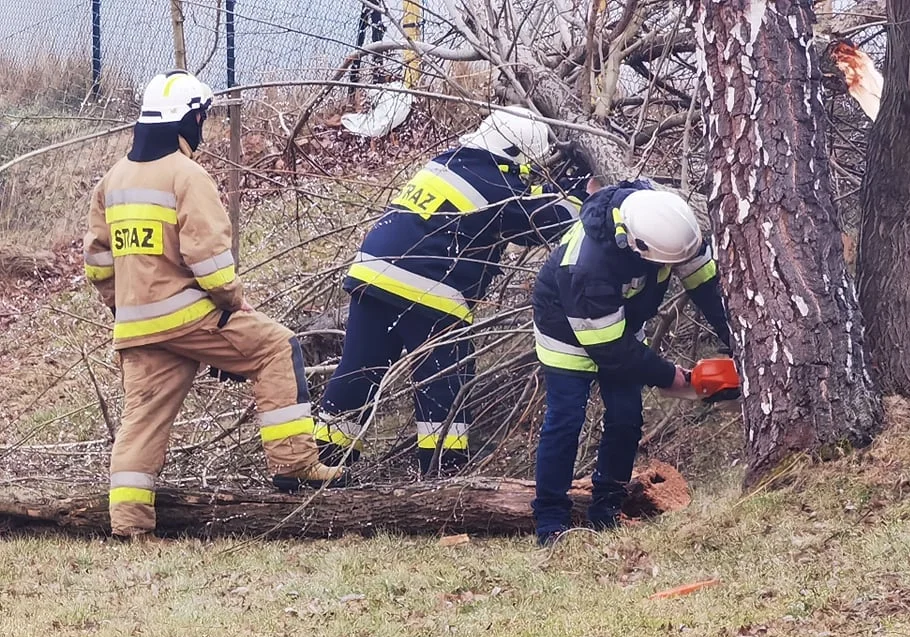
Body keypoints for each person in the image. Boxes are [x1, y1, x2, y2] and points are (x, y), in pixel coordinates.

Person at [81, 69, 343, 538]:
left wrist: (126, 307)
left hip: (137, 327)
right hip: (191, 316)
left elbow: (98, 265)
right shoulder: (187, 175)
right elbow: (212, 264)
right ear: (188, 120)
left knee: (140, 422)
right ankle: (294, 465)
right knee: (277, 346)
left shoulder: (114, 179)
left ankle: (129, 525)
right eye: (201, 117)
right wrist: (234, 305)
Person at [314, 106, 588, 478]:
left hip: (371, 273)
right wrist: (582, 191)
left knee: (358, 371)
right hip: (429, 290)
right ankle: (443, 472)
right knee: (443, 383)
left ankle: (325, 461)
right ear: (512, 154)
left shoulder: (447, 163)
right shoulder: (495, 186)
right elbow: (547, 221)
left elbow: (516, 203)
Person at [530, 180, 731, 545]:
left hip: (617, 324)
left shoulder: (669, 226)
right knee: (566, 418)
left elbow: (706, 285)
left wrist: (738, 339)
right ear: (635, 248)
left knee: (626, 416)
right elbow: (612, 351)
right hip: (567, 328)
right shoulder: (589, 267)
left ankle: (607, 509)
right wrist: (671, 377)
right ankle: (550, 522)